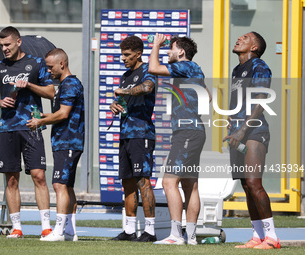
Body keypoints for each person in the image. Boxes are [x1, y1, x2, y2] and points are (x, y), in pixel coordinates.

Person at [0, 26, 55, 238]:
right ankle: (17, 228)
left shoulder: (36, 63)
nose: (4, 49)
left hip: (31, 127)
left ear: (18, 42)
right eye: (2, 46)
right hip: (7, 128)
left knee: (39, 176)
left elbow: (50, 92)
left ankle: (46, 227)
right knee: (11, 180)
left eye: (7, 44)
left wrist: (29, 85)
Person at [148, 34, 210, 245]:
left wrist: (155, 45)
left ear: (181, 52)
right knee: (189, 185)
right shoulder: (194, 70)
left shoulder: (186, 66)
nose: (168, 52)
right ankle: (190, 237)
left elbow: (153, 68)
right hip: (193, 131)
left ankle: (176, 235)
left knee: (168, 182)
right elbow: (208, 97)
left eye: (171, 48)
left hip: (186, 133)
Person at [223, 32, 281, 249]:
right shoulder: (237, 70)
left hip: (255, 131)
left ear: (255, 47)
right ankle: (258, 237)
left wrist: (243, 130)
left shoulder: (259, 66)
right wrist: (231, 122)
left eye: (245, 38)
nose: (239, 39)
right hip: (237, 131)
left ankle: (272, 238)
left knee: (254, 182)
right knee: (246, 185)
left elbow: (261, 100)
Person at [27, 48, 84, 241]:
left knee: (59, 184)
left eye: (51, 67)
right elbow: (60, 113)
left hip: (69, 141)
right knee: (66, 186)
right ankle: (70, 231)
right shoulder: (64, 85)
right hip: (64, 141)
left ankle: (59, 231)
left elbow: (63, 114)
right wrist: (43, 116)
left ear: (62, 64)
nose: (48, 71)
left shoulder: (70, 84)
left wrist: (40, 122)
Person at [109, 35, 157, 242]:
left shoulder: (148, 70)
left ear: (138, 54)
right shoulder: (125, 75)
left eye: (127, 55)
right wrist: (114, 105)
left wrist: (125, 90)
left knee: (143, 181)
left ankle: (150, 231)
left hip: (142, 134)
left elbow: (147, 88)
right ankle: (129, 231)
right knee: (127, 182)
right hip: (125, 133)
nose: (123, 58)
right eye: (122, 54)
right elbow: (122, 99)